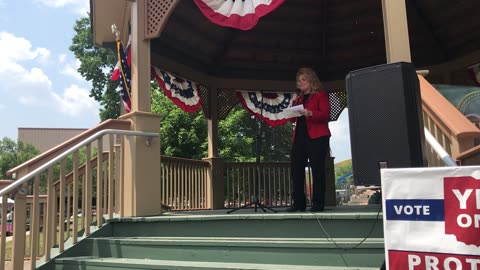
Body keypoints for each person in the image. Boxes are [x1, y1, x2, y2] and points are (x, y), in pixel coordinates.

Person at [286, 67, 331, 212]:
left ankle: (318, 204)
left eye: (303, 79)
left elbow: (325, 114)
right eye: (298, 81)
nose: (300, 83)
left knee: (317, 170)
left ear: (311, 80)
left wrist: (309, 112)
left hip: (317, 137)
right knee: (296, 170)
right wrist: (291, 103)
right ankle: (298, 203)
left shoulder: (320, 95)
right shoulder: (298, 98)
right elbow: (291, 118)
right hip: (299, 138)